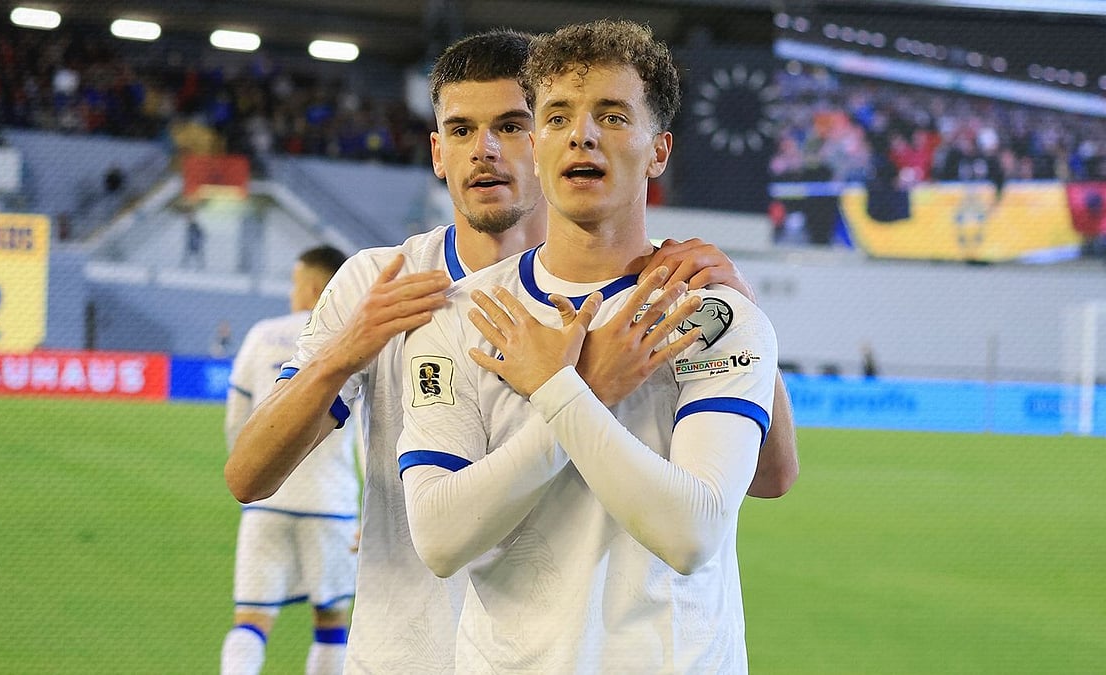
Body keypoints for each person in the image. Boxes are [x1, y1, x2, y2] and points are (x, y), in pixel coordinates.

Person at [225, 29, 796, 673]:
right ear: (437, 151)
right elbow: (251, 478)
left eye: (512, 124)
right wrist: (341, 352)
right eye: (462, 130)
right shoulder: (396, 290)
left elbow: (764, 483)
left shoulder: (688, 299)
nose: (486, 151)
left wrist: (741, 314)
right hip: (408, 650)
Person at [396, 19, 777, 672]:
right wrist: (586, 390)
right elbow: (438, 536)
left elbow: (692, 533)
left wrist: (557, 388)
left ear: (659, 151)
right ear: (538, 144)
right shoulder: (458, 318)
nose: (582, 134)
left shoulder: (711, 313)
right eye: (557, 116)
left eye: (611, 115)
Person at [220, 246, 358, 675]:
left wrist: (256, 467)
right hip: (331, 503)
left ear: (315, 286)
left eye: (295, 283)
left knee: (251, 620)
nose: (291, 292)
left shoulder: (263, 334)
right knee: (332, 623)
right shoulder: (353, 335)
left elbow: (236, 421)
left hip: (265, 502)